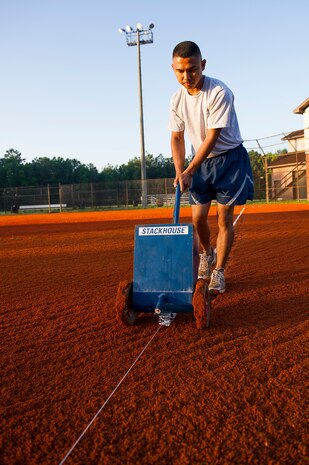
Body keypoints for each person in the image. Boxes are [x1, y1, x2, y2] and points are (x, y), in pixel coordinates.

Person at [168, 41, 254, 295]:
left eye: (192, 69)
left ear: (202, 65)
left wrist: (190, 169)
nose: (187, 76)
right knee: (197, 218)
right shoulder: (176, 99)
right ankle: (208, 253)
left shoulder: (219, 92)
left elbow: (212, 137)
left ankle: (219, 272)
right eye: (180, 71)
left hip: (229, 161)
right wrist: (178, 170)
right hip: (200, 164)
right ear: (172, 68)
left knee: (224, 218)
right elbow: (176, 137)